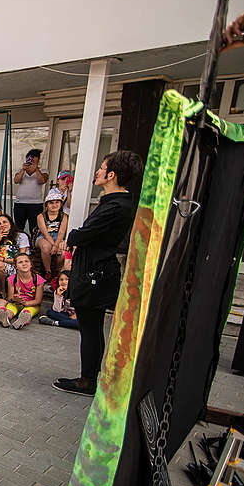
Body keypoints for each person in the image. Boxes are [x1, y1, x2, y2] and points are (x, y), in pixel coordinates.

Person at [54, 150, 142, 396]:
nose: (97, 172)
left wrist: (74, 236)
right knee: (91, 327)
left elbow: (83, 234)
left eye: (102, 168)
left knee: (91, 329)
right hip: (94, 268)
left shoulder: (117, 205)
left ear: (112, 174)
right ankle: (91, 376)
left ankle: (87, 380)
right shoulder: (113, 202)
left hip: (97, 272)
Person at [0, 252, 45, 330]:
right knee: (10, 310)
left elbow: (38, 301)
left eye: (26, 261)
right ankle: (5, 318)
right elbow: (9, 298)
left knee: (27, 313)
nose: (24, 264)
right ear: (15, 266)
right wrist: (14, 299)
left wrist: (25, 303)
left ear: (31, 264)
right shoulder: (12, 279)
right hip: (16, 303)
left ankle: (20, 322)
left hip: (31, 304)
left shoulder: (38, 280)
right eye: (20, 262)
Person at [0, 213, 30, 288]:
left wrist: (2, 259)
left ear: (10, 223)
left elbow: (21, 259)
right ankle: (1, 291)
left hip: (16, 266)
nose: (2, 225)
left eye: (5, 222)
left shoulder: (21, 236)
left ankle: (2, 290)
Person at [35, 188, 69, 282]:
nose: (54, 205)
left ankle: (57, 272)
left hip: (58, 237)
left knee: (61, 252)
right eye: (51, 203)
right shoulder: (41, 216)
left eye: (57, 202)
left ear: (61, 204)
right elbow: (45, 233)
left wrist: (57, 245)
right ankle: (48, 270)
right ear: (46, 205)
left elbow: (62, 232)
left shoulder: (64, 216)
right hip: (43, 237)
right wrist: (54, 245)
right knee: (46, 247)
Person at [13, 149, 48, 237]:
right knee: (18, 227)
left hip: (36, 204)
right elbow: (16, 180)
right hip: (20, 203)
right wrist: (23, 170)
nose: (31, 162)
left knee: (34, 228)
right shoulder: (21, 170)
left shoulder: (43, 170)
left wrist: (36, 169)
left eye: (34, 161)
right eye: (29, 160)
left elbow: (42, 180)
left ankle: (33, 247)